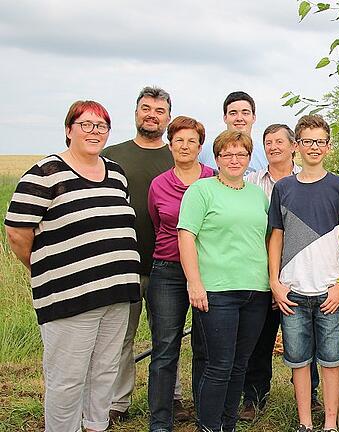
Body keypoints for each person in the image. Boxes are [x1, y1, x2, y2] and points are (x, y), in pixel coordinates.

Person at [4, 100, 141, 432]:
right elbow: (17, 231)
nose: (94, 132)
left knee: (105, 370)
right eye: (86, 124)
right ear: (69, 130)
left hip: (118, 293)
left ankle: (96, 425)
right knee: (67, 378)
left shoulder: (116, 173)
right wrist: (49, 268)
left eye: (102, 126)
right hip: (69, 296)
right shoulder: (46, 173)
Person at [100, 86, 186, 422]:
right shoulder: (112, 155)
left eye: (159, 110)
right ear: (136, 112)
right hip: (122, 264)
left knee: (168, 336)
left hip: (168, 265)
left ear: (168, 117)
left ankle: (173, 398)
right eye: (146, 108)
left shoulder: (177, 156)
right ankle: (117, 402)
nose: (152, 115)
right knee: (121, 338)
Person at [269, 114, 339, 432]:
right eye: (307, 141)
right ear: (297, 146)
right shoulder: (283, 188)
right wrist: (274, 283)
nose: (314, 147)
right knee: (298, 361)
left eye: (320, 141)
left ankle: (330, 424)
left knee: (332, 361)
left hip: (329, 291)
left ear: (328, 146)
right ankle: (306, 423)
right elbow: (276, 237)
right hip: (292, 291)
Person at [177, 130, 271, 431]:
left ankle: (228, 425)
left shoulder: (258, 195)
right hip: (217, 291)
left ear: (249, 159)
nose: (234, 159)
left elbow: (268, 239)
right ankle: (209, 426)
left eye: (241, 154)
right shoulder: (201, 191)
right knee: (219, 365)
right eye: (227, 154)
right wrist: (194, 282)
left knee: (240, 365)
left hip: (255, 290)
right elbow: (186, 237)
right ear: (217, 158)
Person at [239, 124, 321, 421]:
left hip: (301, 274)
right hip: (260, 272)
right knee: (259, 338)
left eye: (279, 142)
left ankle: (309, 396)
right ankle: (254, 397)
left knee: (305, 338)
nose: (273, 147)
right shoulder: (249, 182)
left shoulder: (308, 179)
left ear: (293, 146)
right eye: (268, 142)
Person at [146, 116, 215, 431]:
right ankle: (160, 421)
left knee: (205, 346)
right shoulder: (159, 184)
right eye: (179, 140)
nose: (185, 146)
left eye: (192, 141)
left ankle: (205, 415)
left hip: (210, 272)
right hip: (168, 272)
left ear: (200, 147)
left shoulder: (214, 179)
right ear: (170, 144)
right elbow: (158, 225)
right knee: (165, 347)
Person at [199, 91, 268, 174]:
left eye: (245, 113)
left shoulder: (265, 152)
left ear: (253, 117)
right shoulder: (204, 151)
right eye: (233, 113)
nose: (239, 118)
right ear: (225, 118)